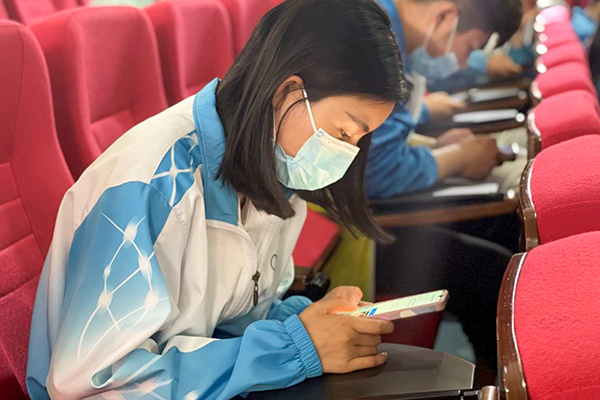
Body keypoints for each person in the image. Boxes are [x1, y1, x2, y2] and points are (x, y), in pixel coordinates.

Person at [25, 1, 407, 399]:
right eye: (343, 133)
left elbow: (230, 320)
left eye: (358, 140)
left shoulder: (275, 174)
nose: (346, 155)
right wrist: (293, 348)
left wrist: (312, 325)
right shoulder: (152, 185)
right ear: (288, 92)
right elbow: (95, 385)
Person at [367, 0, 523, 199]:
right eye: (470, 48)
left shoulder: (386, 31)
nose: (464, 64)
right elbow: (376, 173)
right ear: (444, 16)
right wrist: (459, 157)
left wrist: (433, 147)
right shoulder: (375, 45)